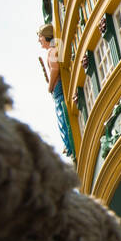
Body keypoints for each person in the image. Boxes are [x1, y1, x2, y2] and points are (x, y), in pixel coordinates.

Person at [39, 23, 75, 157]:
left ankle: (69, 145)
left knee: (62, 114)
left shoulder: (52, 51)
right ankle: (68, 145)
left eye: (41, 37)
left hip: (58, 88)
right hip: (58, 87)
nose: (39, 40)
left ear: (47, 37)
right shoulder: (54, 50)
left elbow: (55, 69)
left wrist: (50, 86)